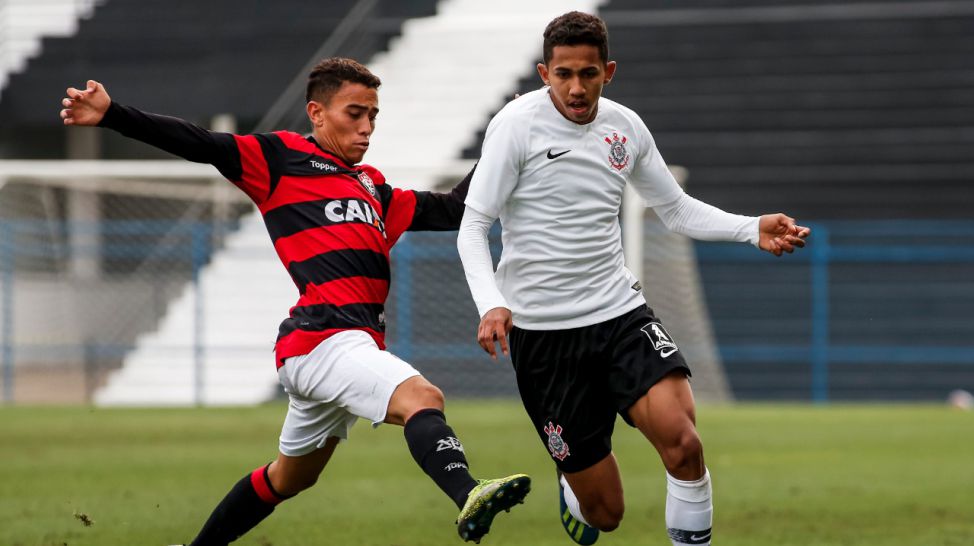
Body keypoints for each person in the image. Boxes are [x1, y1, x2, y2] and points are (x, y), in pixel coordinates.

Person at [60, 57, 530, 545]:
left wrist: (503, 138)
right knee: (423, 398)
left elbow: (454, 208)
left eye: (373, 115)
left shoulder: (371, 187)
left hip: (333, 347)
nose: (367, 127)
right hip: (326, 337)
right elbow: (201, 143)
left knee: (291, 478)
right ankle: (469, 492)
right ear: (317, 112)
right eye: (355, 113)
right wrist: (114, 114)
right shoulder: (280, 159)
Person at [457, 12, 809, 546]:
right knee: (606, 514)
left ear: (609, 71)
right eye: (564, 74)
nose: (577, 88)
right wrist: (491, 303)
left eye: (589, 74)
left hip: (619, 315)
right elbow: (474, 225)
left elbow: (676, 210)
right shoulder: (515, 126)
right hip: (545, 339)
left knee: (684, 443)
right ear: (543, 73)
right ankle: (574, 487)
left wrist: (750, 228)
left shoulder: (625, 127)